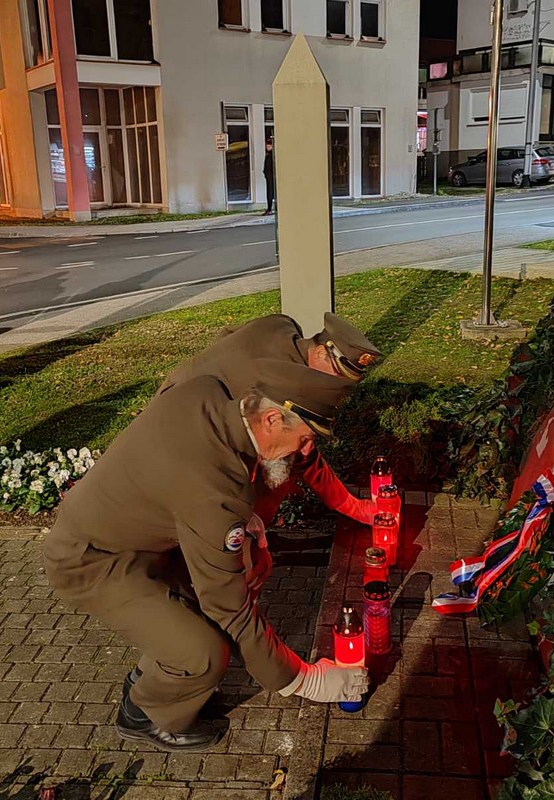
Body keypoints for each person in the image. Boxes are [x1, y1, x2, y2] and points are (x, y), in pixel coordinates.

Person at [44, 360, 369, 752]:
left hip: (137, 536)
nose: (305, 451)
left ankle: (157, 678)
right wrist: (304, 680)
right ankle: (145, 714)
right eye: (302, 440)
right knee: (205, 652)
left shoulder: (213, 394)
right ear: (269, 419)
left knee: (207, 615)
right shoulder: (214, 489)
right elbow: (229, 606)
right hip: (93, 562)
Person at [158, 312, 384, 527]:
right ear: (321, 353)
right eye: (335, 379)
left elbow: (227, 335)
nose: (332, 390)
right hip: (180, 434)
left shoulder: (282, 327)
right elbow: (301, 452)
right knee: (274, 469)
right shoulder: (272, 382)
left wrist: (352, 506)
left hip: (183, 407)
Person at [262, 138, 275, 215]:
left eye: (269, 145)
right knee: (269, 192)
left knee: (270, 192)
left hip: (271, 176)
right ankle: (269, 208)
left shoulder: (272, 155)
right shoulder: (268, 154)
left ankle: (270, 209)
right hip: (269, 176)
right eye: (267, 145)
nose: (267, 147)